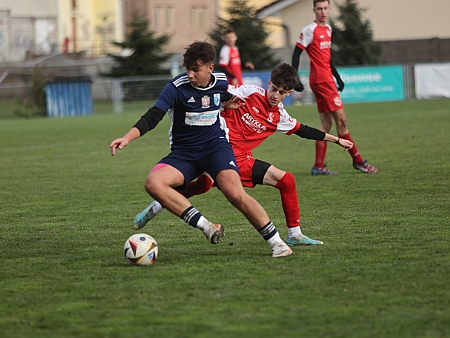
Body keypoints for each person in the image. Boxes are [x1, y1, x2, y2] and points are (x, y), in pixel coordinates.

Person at [133, 63, 354, 247]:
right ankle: (159, 204)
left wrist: (336, 139)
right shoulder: (248, 92)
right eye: (273, 88)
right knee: (205, 184)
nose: (275, 95)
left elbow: (305, 131)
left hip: (242, 159)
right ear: (269, 84)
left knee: (285, 180)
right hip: (218, 150)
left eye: (281, 92)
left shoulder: (280, 117)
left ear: (289, 93)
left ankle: (294, 234)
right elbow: (220, 91)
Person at [110, 41, 292, 258]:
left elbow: (219, 96)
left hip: (216, 148)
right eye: (187, 69)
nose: (190, 74)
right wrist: (128, 137)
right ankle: (206, 226)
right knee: (153, 183)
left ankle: (278, 243)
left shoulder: (222, 81)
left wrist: (227, 102)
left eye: (195, 70)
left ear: (210, 68)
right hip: (184, 154)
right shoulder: (176, 87)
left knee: (235, 194)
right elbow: (153, 115)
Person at [291, 0, 378, 175]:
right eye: (319, 9)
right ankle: (358, 161)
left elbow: (327, 57)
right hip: (322, 82)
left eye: (325, 8)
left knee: (325, 125)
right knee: (342, 123)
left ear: (329, 9)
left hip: (327, 79)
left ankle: (318, 166)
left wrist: (337, 77)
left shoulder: (328, 29)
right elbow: (296, 53)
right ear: (314, 10)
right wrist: (295, 78)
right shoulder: (310, 30)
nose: (322, 11)